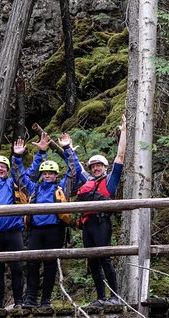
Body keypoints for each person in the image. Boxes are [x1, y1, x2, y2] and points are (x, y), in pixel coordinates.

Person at [0, 135, 49, 309]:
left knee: (17, 268)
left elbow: (31, 173)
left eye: (3, 167)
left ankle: (18, 302)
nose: (0, 169)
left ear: (8, 169)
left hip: (13, 232)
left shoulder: (13, 183)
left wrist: (36, 153)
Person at [65, 114, 126, 307]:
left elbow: (120, 157)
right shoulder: (88, 182)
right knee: (92, 262)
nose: (96, 168)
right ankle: (101, 297)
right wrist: (67, 147)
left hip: (101, 223)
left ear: (105, 167)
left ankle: (114, 297)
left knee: (105, 259)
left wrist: (123, 133)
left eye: (99, 165)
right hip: (87, 225)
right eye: (93, 166)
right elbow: (75, 165)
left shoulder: (110, 181)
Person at [13, 137, 75, 309]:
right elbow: (20, 178)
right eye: (45, 173)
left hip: (55, 230)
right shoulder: (34, 189)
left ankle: (46, 300)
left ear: (56, 175)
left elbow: (73, 171)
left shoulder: (62, 188)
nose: (47, 175)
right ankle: (30, 299)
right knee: (32, 264)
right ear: (41, 175)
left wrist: (68, 149)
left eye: (51, 173)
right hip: (36, 231)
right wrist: (18, 157)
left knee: (49, 265)